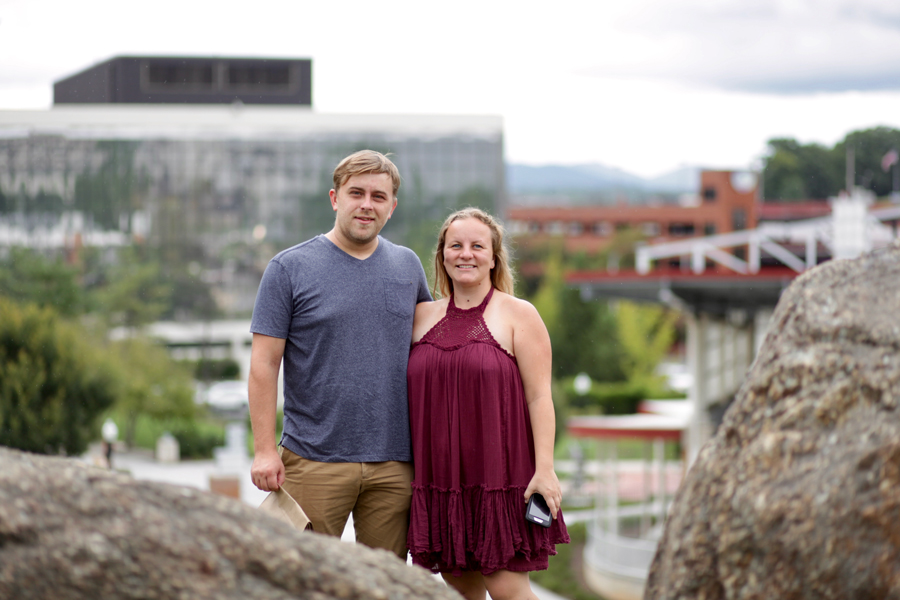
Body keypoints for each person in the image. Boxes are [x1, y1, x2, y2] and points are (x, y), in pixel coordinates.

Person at [248, 150, 431, 559]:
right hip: (313, 460)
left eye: (379, 197)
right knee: (303, 579)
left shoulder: (408, 266)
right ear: (335, 198)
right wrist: (263, 450)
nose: (367, 204)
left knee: (384, 585)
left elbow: (431, 350)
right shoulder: (288, 268)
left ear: (392, 207)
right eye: (357, 193)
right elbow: (263, 364)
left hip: (395, 463)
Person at [407, 208, 569, 600]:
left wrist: (545, 470)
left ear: (493, 257)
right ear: (442, 255)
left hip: (501, 476)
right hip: (441, 481)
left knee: (508, 588)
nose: (466, 254)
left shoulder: (519, 315)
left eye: (477, 246)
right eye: (456, 245)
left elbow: (539, 396)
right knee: (460, 589)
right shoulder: (418, 317)